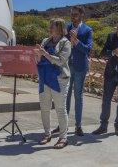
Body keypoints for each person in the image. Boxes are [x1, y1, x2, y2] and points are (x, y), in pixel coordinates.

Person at [35, 18, 72, 149]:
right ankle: (47, 134)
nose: (50, 28)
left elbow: (61, 61)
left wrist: (44, 53)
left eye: (53, 26)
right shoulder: (45, 41)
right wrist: (38, 55)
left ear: (60, 28)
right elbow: (38, 60)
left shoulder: (66, 43)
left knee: (60, 109)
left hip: (59, 80)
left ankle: (63, 138)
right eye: (50, 25)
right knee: (44, 108)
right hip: (45, 78)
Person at [60, 6, 93, 136]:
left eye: (75, 14)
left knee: (78, 97)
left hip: (80, 68)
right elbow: (60, 45)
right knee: (65, 95)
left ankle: (78, 126)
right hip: (67, 66)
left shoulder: (87, 30)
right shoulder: (66, 28)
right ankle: (63, 125)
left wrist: (76, 41)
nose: (73, 16)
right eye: (72, 14)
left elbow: (88, 50)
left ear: (81, 15)